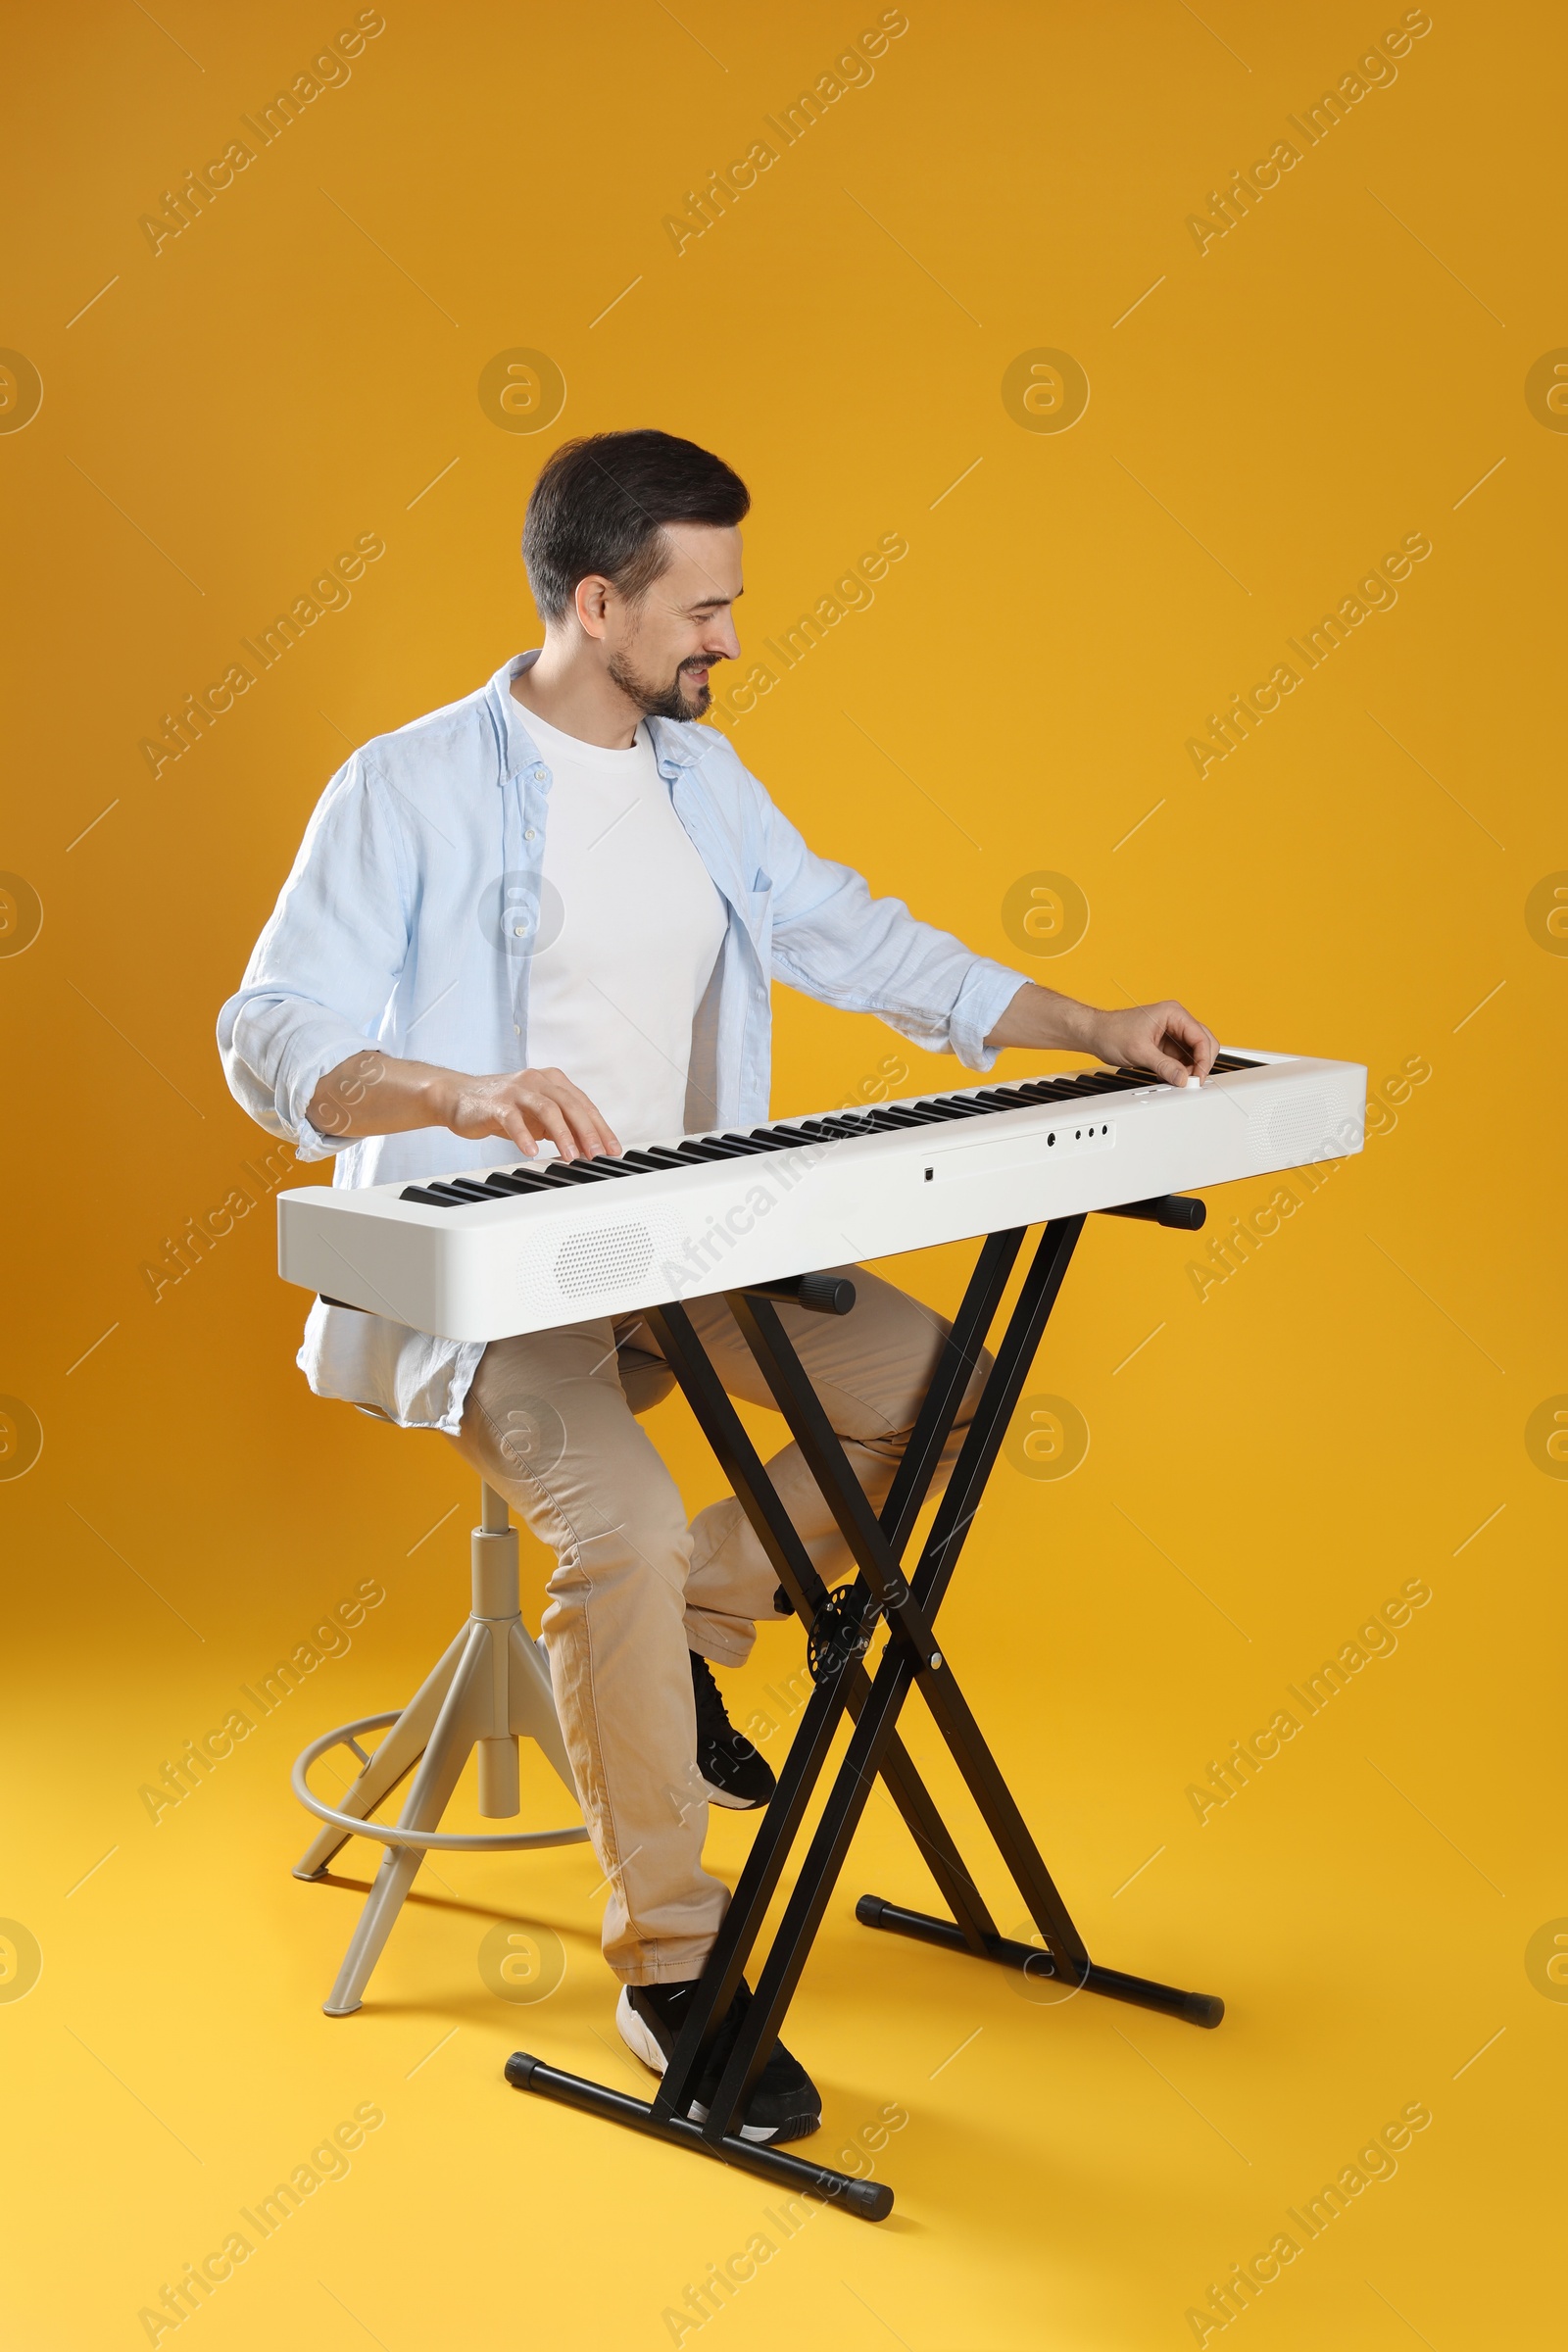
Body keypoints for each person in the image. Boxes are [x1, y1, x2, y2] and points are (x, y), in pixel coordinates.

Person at [219, 428, 1216, 2144]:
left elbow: (859, 935)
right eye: (703, 606)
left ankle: (691, 1645)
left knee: (944, 1397)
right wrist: (457, 1092)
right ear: (594, 602)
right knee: (618, 1521)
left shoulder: (703, 783)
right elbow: (267, 1036)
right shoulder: (406, 788)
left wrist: (1088, 1022)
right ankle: (672, 1961)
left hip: (693, 1245)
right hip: (492, 1272)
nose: (730, 640)